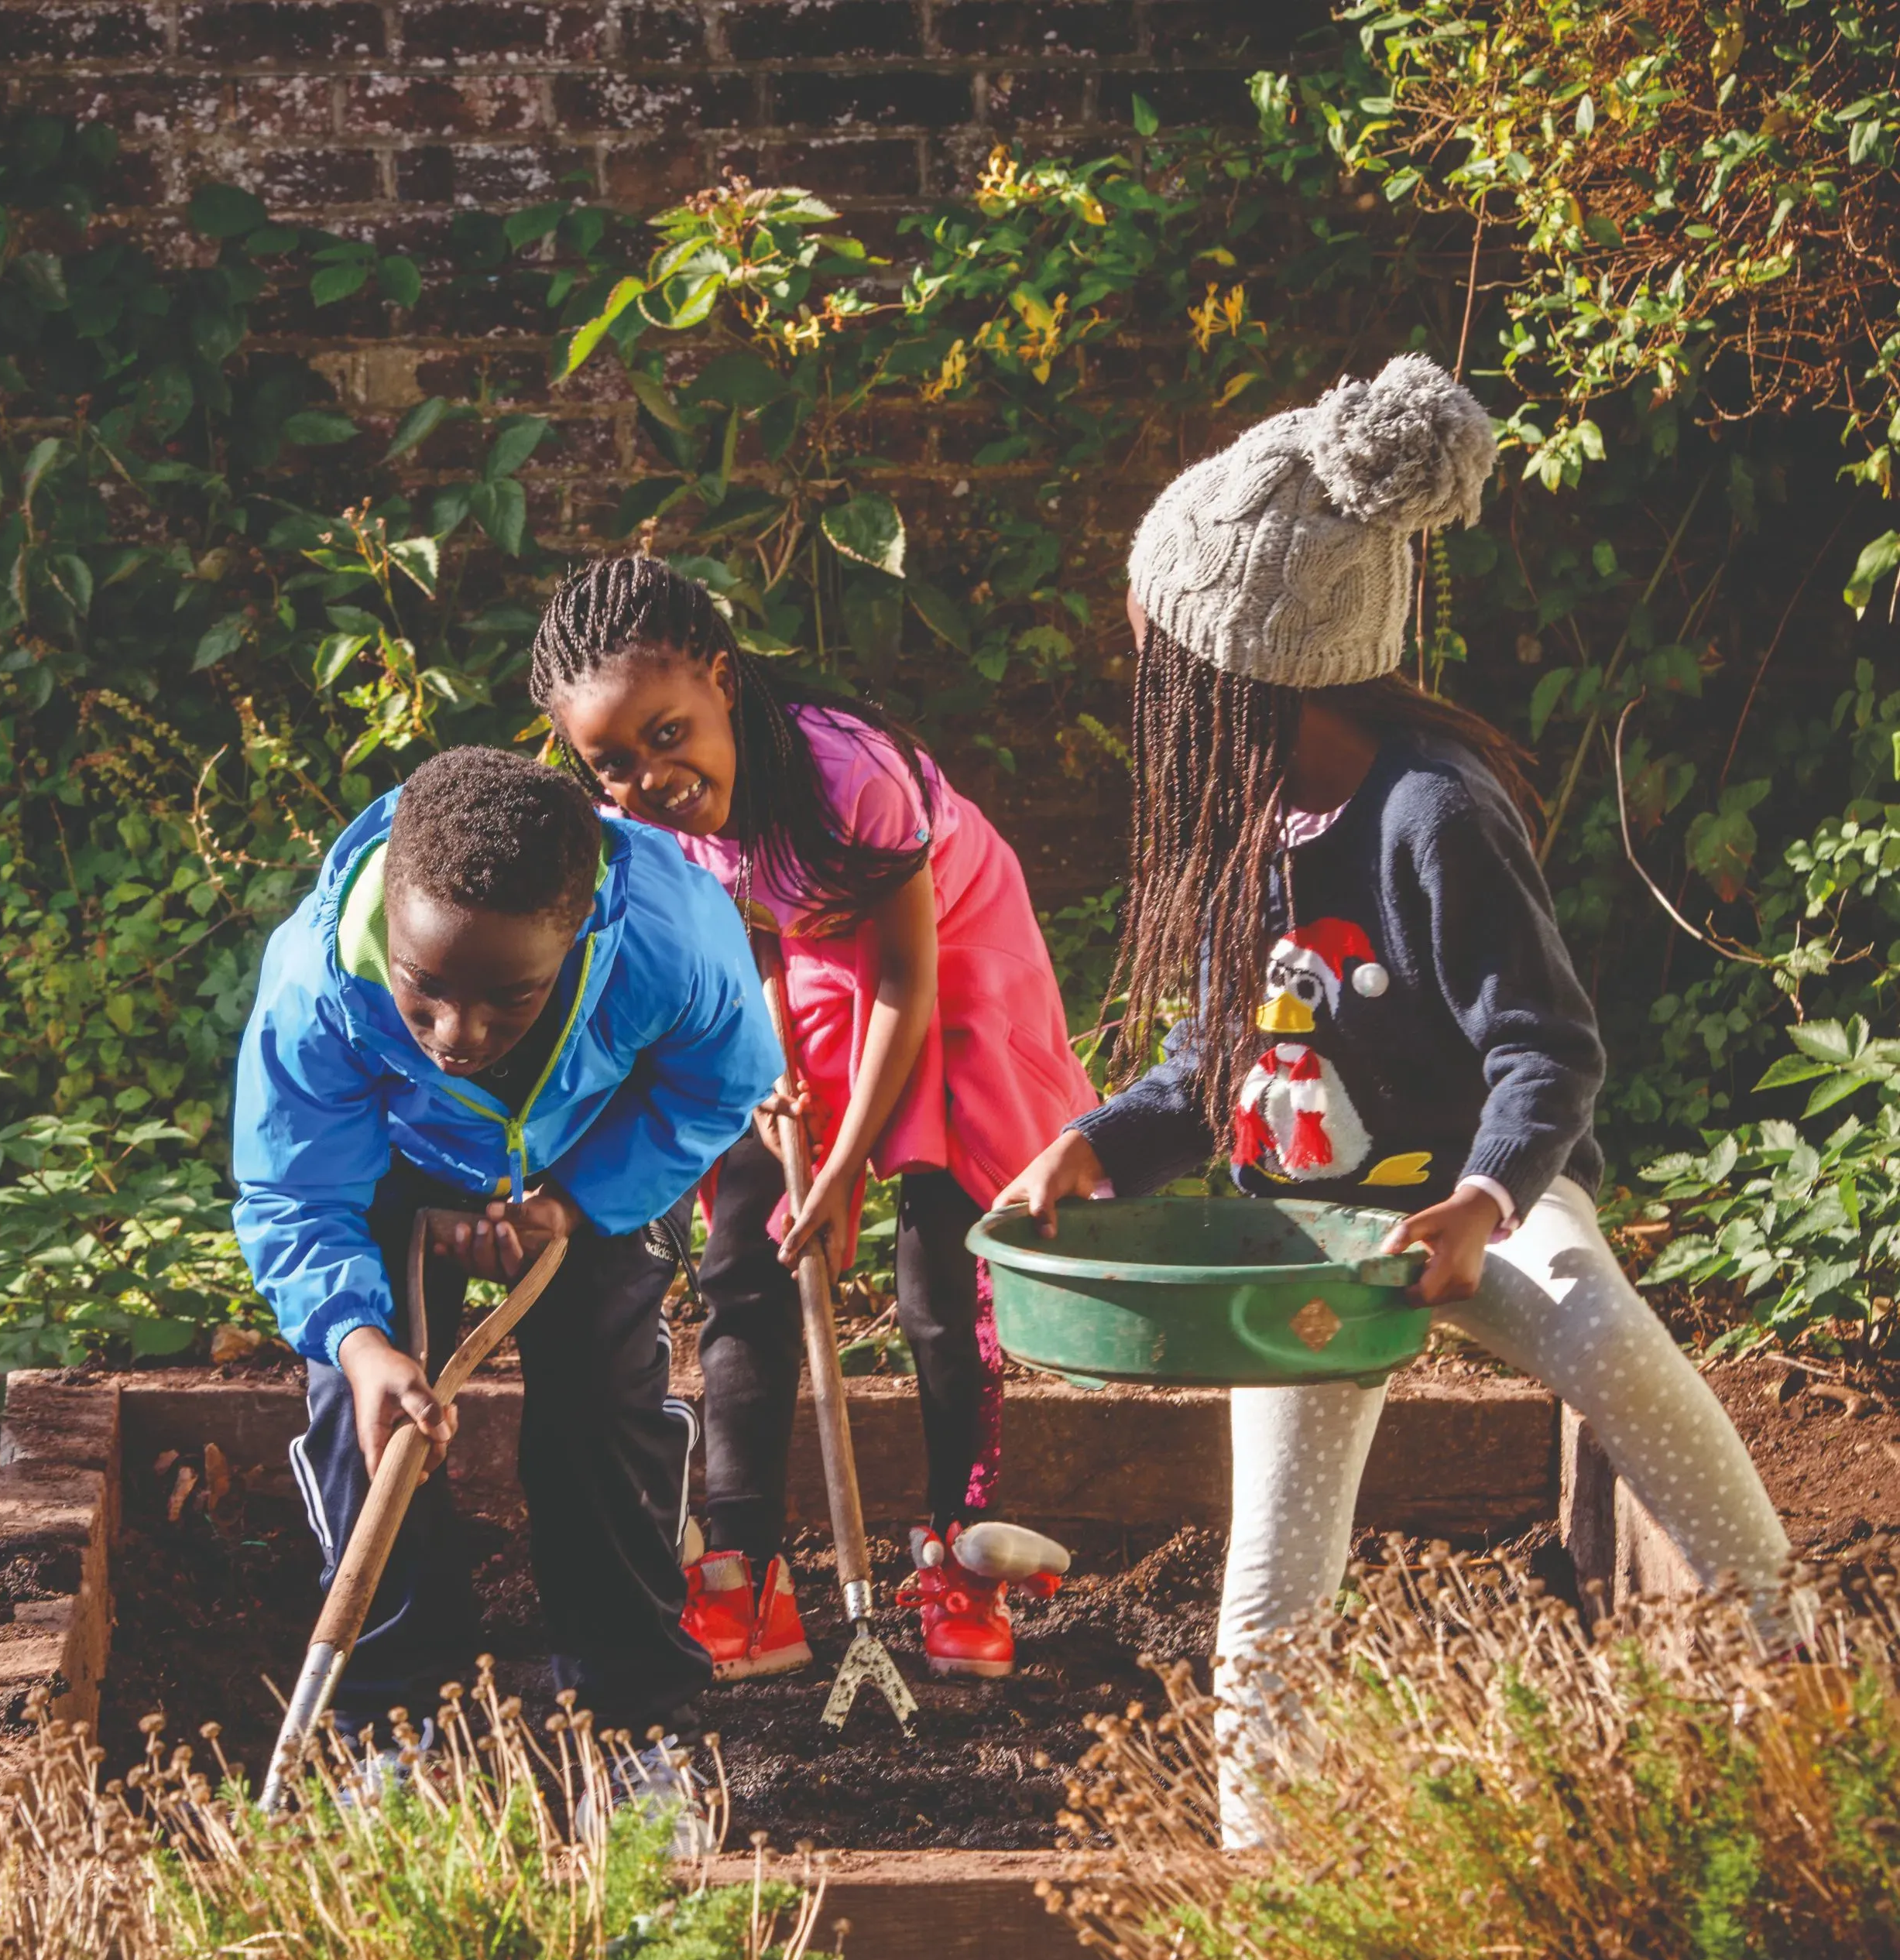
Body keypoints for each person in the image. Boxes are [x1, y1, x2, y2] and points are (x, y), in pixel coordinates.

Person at [995, 354, 1794, 1841]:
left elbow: (1545, 1051)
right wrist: (1100, 1146)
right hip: (1314, 1246)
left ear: (1250, 666)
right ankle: (1270, 1872)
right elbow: (1213, 1065)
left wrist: (1484, 1204)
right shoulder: (1248, 821)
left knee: (1611, 1346)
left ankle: (1779, 1652)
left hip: (1475, 1199)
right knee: (1268, 1590)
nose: (1144, 679)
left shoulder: (1431, 813)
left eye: (1161, 655)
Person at [530, 556, 1088, 1683]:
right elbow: (758, 927)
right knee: (751, 1245)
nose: (649, 776)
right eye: (614, 764)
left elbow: (906, 982)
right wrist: (778, 1067)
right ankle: (745, 1565)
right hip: (814, 955)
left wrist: (842, 1171)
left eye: (668, 734)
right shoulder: (646, 818)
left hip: (947, 949)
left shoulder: (849, 774)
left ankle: (951, 1551)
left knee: (943, 1263)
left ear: (723, 683)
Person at [232, 745, 782, 1739]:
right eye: (425, 989)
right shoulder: (319, 985)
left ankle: (630, 1721)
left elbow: (718, 1085)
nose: (457, 1032)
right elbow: (298, 1188)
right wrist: (362, 1347)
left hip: (591, 1153)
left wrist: (571, 1206)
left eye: (507, 1000)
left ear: (573, 937)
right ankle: (390, 1719)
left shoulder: (671, 937)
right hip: (392, 1159)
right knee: (368, 1424)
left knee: (603, 1416)